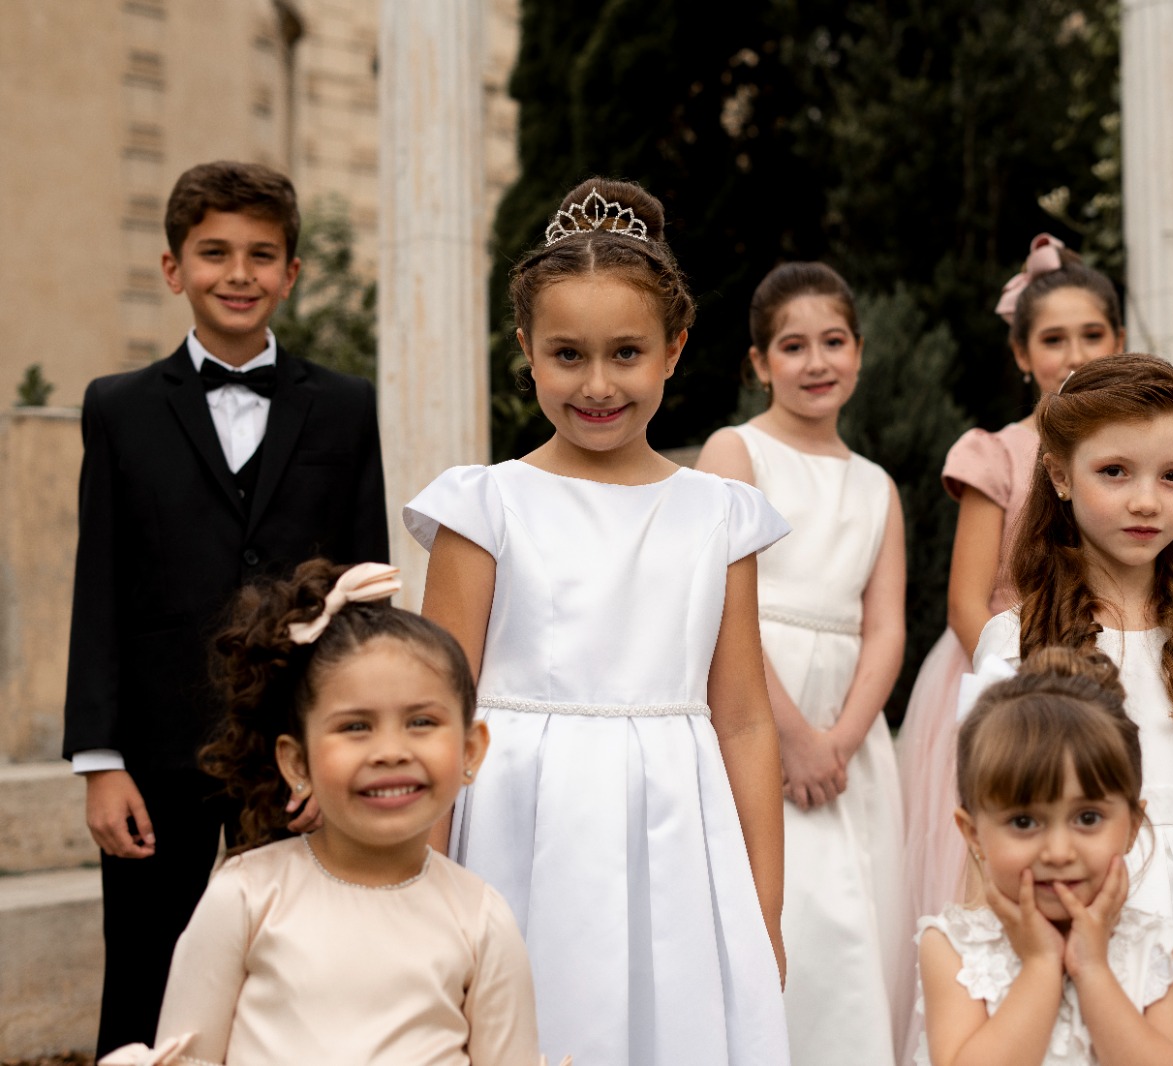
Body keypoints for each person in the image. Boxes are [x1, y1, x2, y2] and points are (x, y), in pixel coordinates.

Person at [404, 178, 791, 1064]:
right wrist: (420, 898)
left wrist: (761, 909)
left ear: (673, 350)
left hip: (677, 841)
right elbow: (435, 711)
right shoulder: (485, 506)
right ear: (527, 351)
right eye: (568, 355)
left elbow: (742, 719)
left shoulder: (720, 516)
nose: (598, 384)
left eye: (626, 353)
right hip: (517, 828)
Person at [62, 160, 389, 1057]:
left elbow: (363, 590)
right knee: (146, 968)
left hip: (291, 747)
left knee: (302, 964)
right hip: (155, 752)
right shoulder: (118, 408)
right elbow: (99, 586)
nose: (238, 274)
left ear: (292, 272)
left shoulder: (347, 407)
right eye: (214, 253)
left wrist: (345, 744)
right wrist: (99, 760)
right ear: (174, 269)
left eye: (261, 255)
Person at [973, 355, 1173, 1066]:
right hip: (1065, 910)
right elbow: (990, 821)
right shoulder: (1018, 644)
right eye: (1115, 472)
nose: (1147, 501)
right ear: (1060, 475)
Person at [106, 561, 543, 1065]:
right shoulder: (246, 898)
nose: (390, 752)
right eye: (355, 727)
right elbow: (187, 1055)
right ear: (297, 762)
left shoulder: (481, 920)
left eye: (421, 722)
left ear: (470, 750)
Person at [696, 261, 910, 1065]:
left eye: (833, 342)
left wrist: (840, 740)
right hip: (753, 707)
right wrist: (789, 736)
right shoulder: (736, 452)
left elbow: (885, 627)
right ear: (759, 363)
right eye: (793, 346)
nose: (816, 362)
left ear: (860, 351)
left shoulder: (878, 486)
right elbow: (718, 607)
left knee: (856, 927)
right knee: (781, 917)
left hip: (849, 738)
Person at [899, 234, 1125, 933]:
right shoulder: (997, 453)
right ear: (1022, 355)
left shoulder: (1139, 453)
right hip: (1002, 673)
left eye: (1093, 334)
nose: (1076, 353)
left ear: (1119, 341)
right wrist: (1025, 682)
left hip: (1113, 665)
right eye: (1054, 339)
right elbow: (967, 600)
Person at [917, 645, 1173, 1066]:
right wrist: (1041, 965)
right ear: (973, 834)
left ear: (1132, 826)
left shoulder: (1158, 949)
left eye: (1087, 817)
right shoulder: (952, 948)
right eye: (1024, 822)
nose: (1057, 852)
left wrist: (1093, 970)